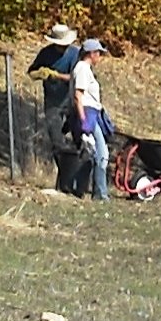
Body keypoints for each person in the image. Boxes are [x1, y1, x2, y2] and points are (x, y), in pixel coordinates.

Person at [30, 24, 84, 194]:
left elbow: (76, 77)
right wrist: (39, 73)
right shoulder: (45, 53)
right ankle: (64, 180)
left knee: (80, 141)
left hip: (72, 103)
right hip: (52, 104)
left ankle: (79, 182)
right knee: (57, 142)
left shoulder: (75, 54)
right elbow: (31, 71)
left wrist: (55, 75)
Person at [71, 38, 113, 200]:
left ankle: (80, 188)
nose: (100, 57)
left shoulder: (85, 69)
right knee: (101, 155)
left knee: (93, 154)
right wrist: (84, 123)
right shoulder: (82, 68)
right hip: (87, 114)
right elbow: (78, 96)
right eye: (99, 54)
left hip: (91, 113)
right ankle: (100, 194)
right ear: (92, 53)